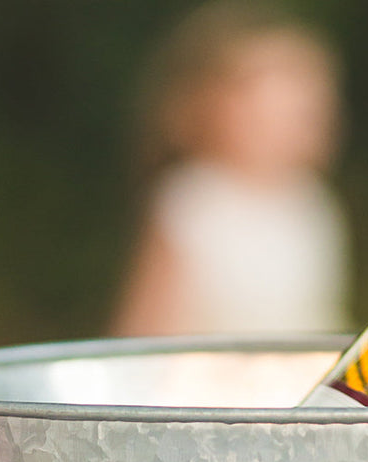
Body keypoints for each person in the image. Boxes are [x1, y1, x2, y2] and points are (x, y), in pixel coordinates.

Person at [110, 1, 352, 338]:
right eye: (267, 100)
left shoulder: (314, 203)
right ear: (208, 104)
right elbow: (145, 337)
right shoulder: (194, 203)